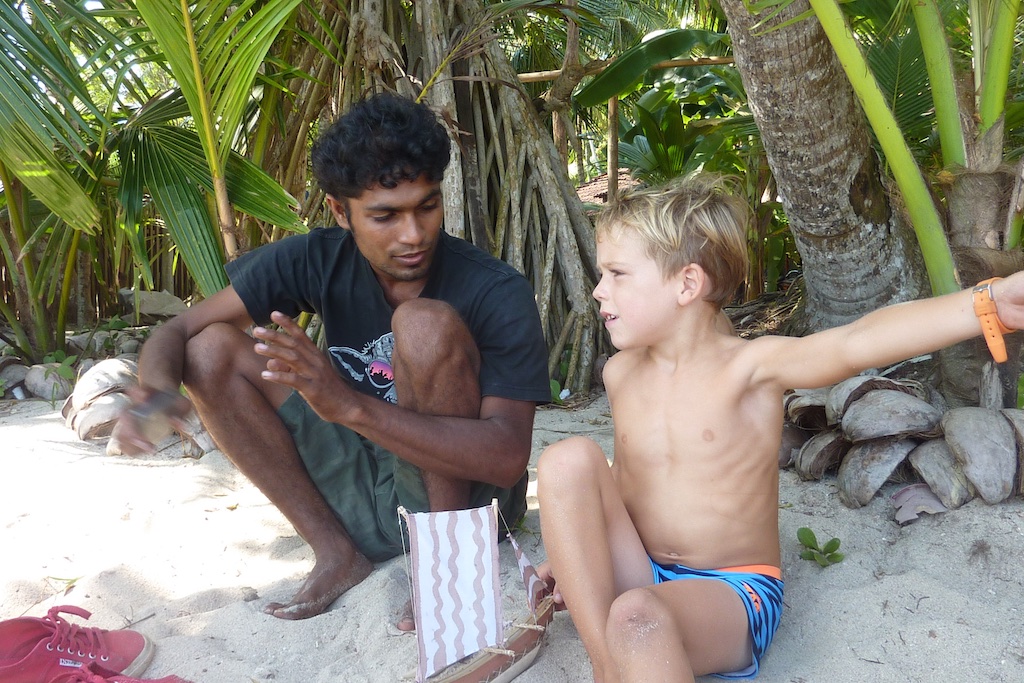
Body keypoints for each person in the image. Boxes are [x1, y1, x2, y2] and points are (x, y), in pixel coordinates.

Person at [535, 173, 1024, 682]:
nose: (597, 290)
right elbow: (633, 477)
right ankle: (604, 665)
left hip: (730, 592)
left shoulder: (749, 370)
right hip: (643, 569)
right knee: (565, 460)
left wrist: (985, 304)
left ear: (686, 284)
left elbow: (855, 341)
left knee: (637, 619)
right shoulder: (621, 374)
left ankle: (621, 651)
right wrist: (580, 552)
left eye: (617, 273)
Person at [111, 92, 551, 621]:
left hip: (470, 504)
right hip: (365, 484)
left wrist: (348, 405)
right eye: (385, 216)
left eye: (427, 207)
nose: (413, 235)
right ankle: (336, 551)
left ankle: (446, 564)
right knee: (209, 350)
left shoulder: (495, 288)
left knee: (423, 325)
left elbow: (505, 458)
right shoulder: (317, 257)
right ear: (341, 212)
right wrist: (158, 392)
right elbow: (179, 328)